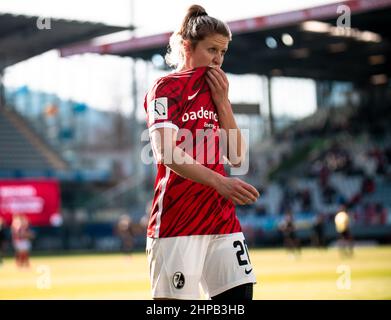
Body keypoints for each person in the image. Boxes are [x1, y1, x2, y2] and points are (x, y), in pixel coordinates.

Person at [144, 5, 259, 300]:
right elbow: (165, 152)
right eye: (211, 50)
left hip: (221, 218)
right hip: (179, 222)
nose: (218, 60)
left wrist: (223, 102)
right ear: (188, 46)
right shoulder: (165, 87)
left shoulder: (215, 89)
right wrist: (221, 182)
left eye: (222, 52)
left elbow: (236, 157)